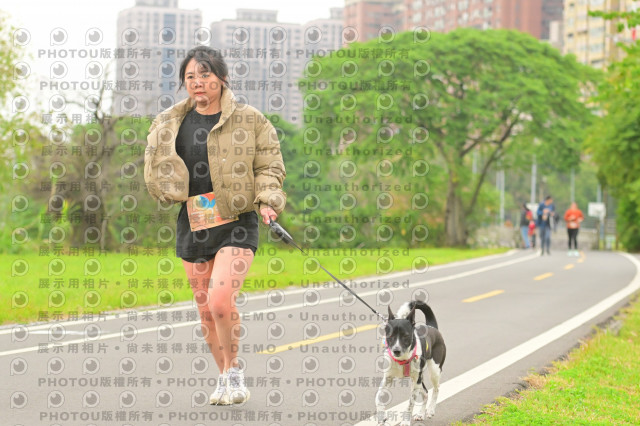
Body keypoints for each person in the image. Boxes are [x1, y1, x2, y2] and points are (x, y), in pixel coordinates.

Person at [144, 46, 287, 405]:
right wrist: (162, 186)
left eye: (205, 75)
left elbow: (269, 165)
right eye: (190, 76)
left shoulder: (250, 120)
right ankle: (224, 376)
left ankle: (235, 371)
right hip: (193, 221)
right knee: (205, 309)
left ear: (222, 78)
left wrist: (268, 201)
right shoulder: (169, 123)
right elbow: (155, 166)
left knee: (220, 301)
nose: (197, 82)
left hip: (236, 220)